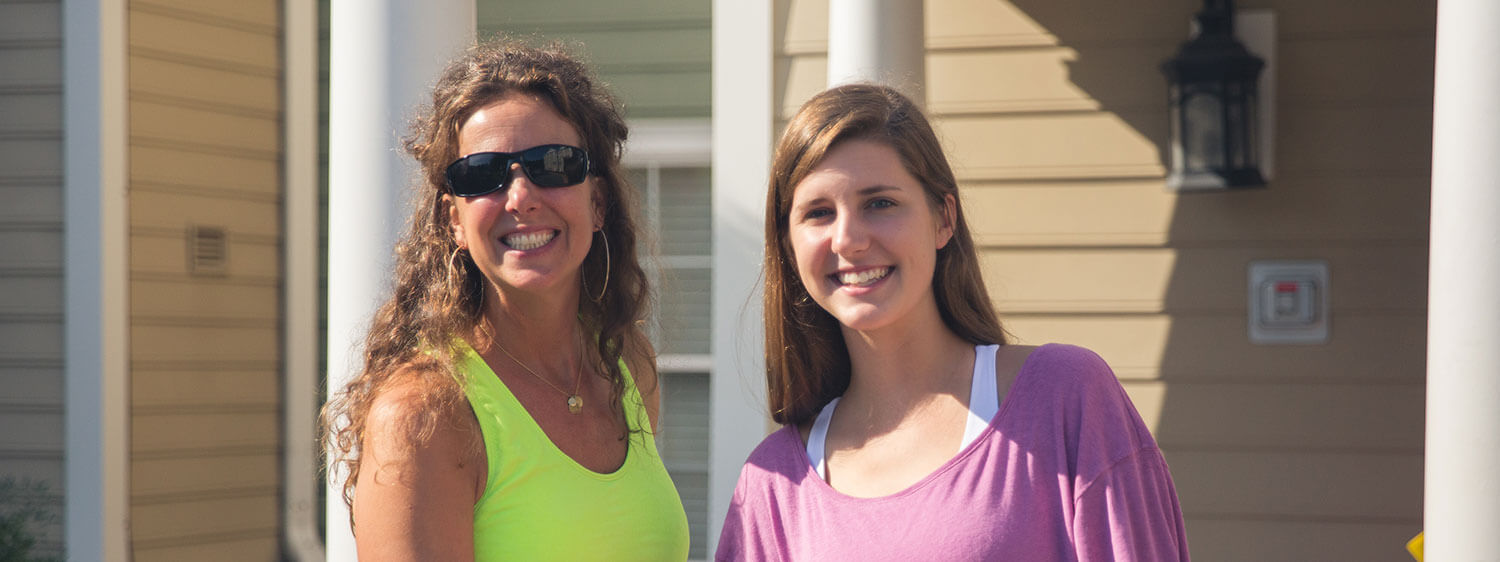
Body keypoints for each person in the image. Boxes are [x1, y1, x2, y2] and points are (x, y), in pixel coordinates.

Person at [716, 84, 1190, 561]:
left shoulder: (1065, 397)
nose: (849, 239)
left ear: (943, 218)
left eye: (880, 203)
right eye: (818, 213)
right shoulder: (772, 486)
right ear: (788, 245)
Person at [322, 39, 689, 561]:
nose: (520, 196)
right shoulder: (425, 418)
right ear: (455, 222)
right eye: (483, 174)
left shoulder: (629, 364)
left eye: (554, 164)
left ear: (598, 201)